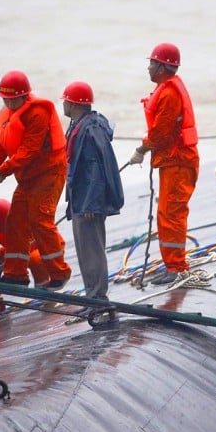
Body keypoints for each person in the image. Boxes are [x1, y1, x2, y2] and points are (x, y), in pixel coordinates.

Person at [0, 70, 72, 288]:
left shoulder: (38, 113)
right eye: (6, 100)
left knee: (40, 220)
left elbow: (28, 150)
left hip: (49, 173)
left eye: (14, 100)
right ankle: (16, 274)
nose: (10, 104)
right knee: (15, 222)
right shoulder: (7, 116)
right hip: (27, 176)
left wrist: (1, 171)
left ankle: (59, 273)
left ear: (24, 97)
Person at [127, 42, 199, 285]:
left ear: (162, 66)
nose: (148, 68)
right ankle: (171, 264)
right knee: (166, 214)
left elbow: (161, 134)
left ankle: (176, 267)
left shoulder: (168, 94)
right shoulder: (166, 88)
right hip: (173, 160)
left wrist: (141, 149)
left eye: (151, 63)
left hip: (179, 161)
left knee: (172, 214)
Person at [61, 81, 124, 301]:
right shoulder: (80, 125)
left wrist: (91, 203)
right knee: (85, 251)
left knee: (92, 251)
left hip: (88, 202)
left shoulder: (90, 130)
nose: (64, 105)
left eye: (66, 101)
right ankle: (92, 297)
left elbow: (96, 167)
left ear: (73, 103)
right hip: (81, 199)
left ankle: (97, 298)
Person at [0, 197, 49, 285]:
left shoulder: (26, 218)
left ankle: (43, 287)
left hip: (38, 250)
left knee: (36, 259)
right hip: (15, 253)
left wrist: (18, 275)